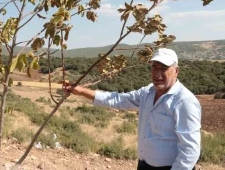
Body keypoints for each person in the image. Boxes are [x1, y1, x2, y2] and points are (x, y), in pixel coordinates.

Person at [64, 48, 201, 170]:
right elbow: (119, 100)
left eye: (163, 68)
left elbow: (190, 150)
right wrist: (81, 91)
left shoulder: (184, 101)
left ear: (176, 71)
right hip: (144, 165)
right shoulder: (147, 92)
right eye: (154, 67)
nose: (157, 73)